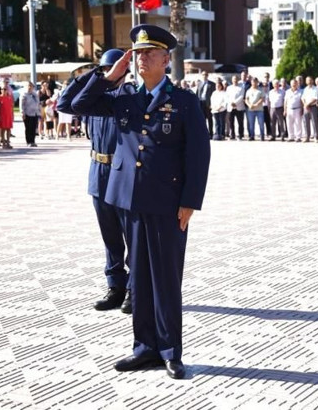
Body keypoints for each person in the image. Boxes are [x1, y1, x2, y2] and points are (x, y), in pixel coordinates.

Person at [70, 25, 210, 380]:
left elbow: (198, 155)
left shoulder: (184, 101)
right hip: (128, 201)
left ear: (167, 59)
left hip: (167, 203)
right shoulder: (124, 96)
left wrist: (190, 201)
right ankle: (144, 347)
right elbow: (77, 105)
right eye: (139, 52)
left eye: (150, 52)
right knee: (141, 281)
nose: (143, 58)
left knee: (165, 279)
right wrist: (108, 76)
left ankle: (169, 350)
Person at [59, 48, 134, 314]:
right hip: (98, 172)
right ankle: (115, 285)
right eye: (105, 70)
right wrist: (93, 74)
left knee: (131, 234)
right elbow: (64, 104)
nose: (109, 74)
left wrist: (113, 79)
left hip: (121, 172)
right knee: (109, 235)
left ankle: (135, 289)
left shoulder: (128, 96)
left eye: (112, 69)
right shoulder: (92, 97)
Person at [21, 82, 40, 147]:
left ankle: (33, 141)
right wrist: (22, 113)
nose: (30, 87)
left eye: (31, 86)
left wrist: (39, 112)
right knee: (28, 128)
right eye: (29, 86)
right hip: (27, 113)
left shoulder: (35, 94)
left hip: (35, 113)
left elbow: (38, 103)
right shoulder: (24, 94)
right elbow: (22, 105)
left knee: (34, 128)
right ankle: (28, 141)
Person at [226, 75, 245, 139]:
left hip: (239, 107)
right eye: (234, 79)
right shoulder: (229, 88)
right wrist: (231, 103)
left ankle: (240, 134)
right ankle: (232, 134)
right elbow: (227, 97)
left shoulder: (241, 87)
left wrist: (235, 103)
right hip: (230, 107)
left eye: (236, 79)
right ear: (232, 80)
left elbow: (241, 96)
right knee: (231, 122)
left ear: (238, 80)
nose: (235, 80)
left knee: (240, 122)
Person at [196, 71, 215, 138]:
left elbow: (214, 95)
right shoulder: (199, 83)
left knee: (209, 119)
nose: (204, 76)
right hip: (201, 103)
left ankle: (211, 133)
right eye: (203, 75)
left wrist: (212, 104)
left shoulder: (212, 84)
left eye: (206, 75)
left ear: (207, 75)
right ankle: (203, 133)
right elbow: (197, 94)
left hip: (208, 103)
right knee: (202, 119)